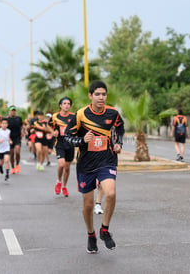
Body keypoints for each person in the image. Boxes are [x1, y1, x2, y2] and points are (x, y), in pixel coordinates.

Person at [65, 80, 124, 253]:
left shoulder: (113, 113)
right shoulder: (81, 114)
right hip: (86, 164)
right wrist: (82, 140)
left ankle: (104, 230)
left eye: (103, 94)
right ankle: (91, 234)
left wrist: (118, 143)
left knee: (111, 193)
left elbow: (120, 129)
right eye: (97, 94)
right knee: (88, 205)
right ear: (90, 96)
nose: (101, 97)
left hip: (107, 160)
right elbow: (68, 136)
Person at [52, 97, 75, 197]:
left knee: (67, 167)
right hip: (60, 144)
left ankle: (64, 186)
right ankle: (58, 181)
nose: (66, 105)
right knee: (61, 164)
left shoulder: (74, 116)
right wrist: (53, 132)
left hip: (70, 144)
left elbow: (77, 128)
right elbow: (49, 126)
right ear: (60, 105)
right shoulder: (55, 116)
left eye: (68, 103)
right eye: (64, 103)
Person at [7, 105, 23, 174]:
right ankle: (12, 167)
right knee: (11, 153)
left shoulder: (19, 118)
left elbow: (21, 126)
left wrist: (23, 132)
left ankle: (17, 165)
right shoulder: (7, 119)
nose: (13, 112)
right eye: (11, 111)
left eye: (14, 111)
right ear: (9, 111)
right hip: (10, 138)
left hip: (17, 137)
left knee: (17, 151)